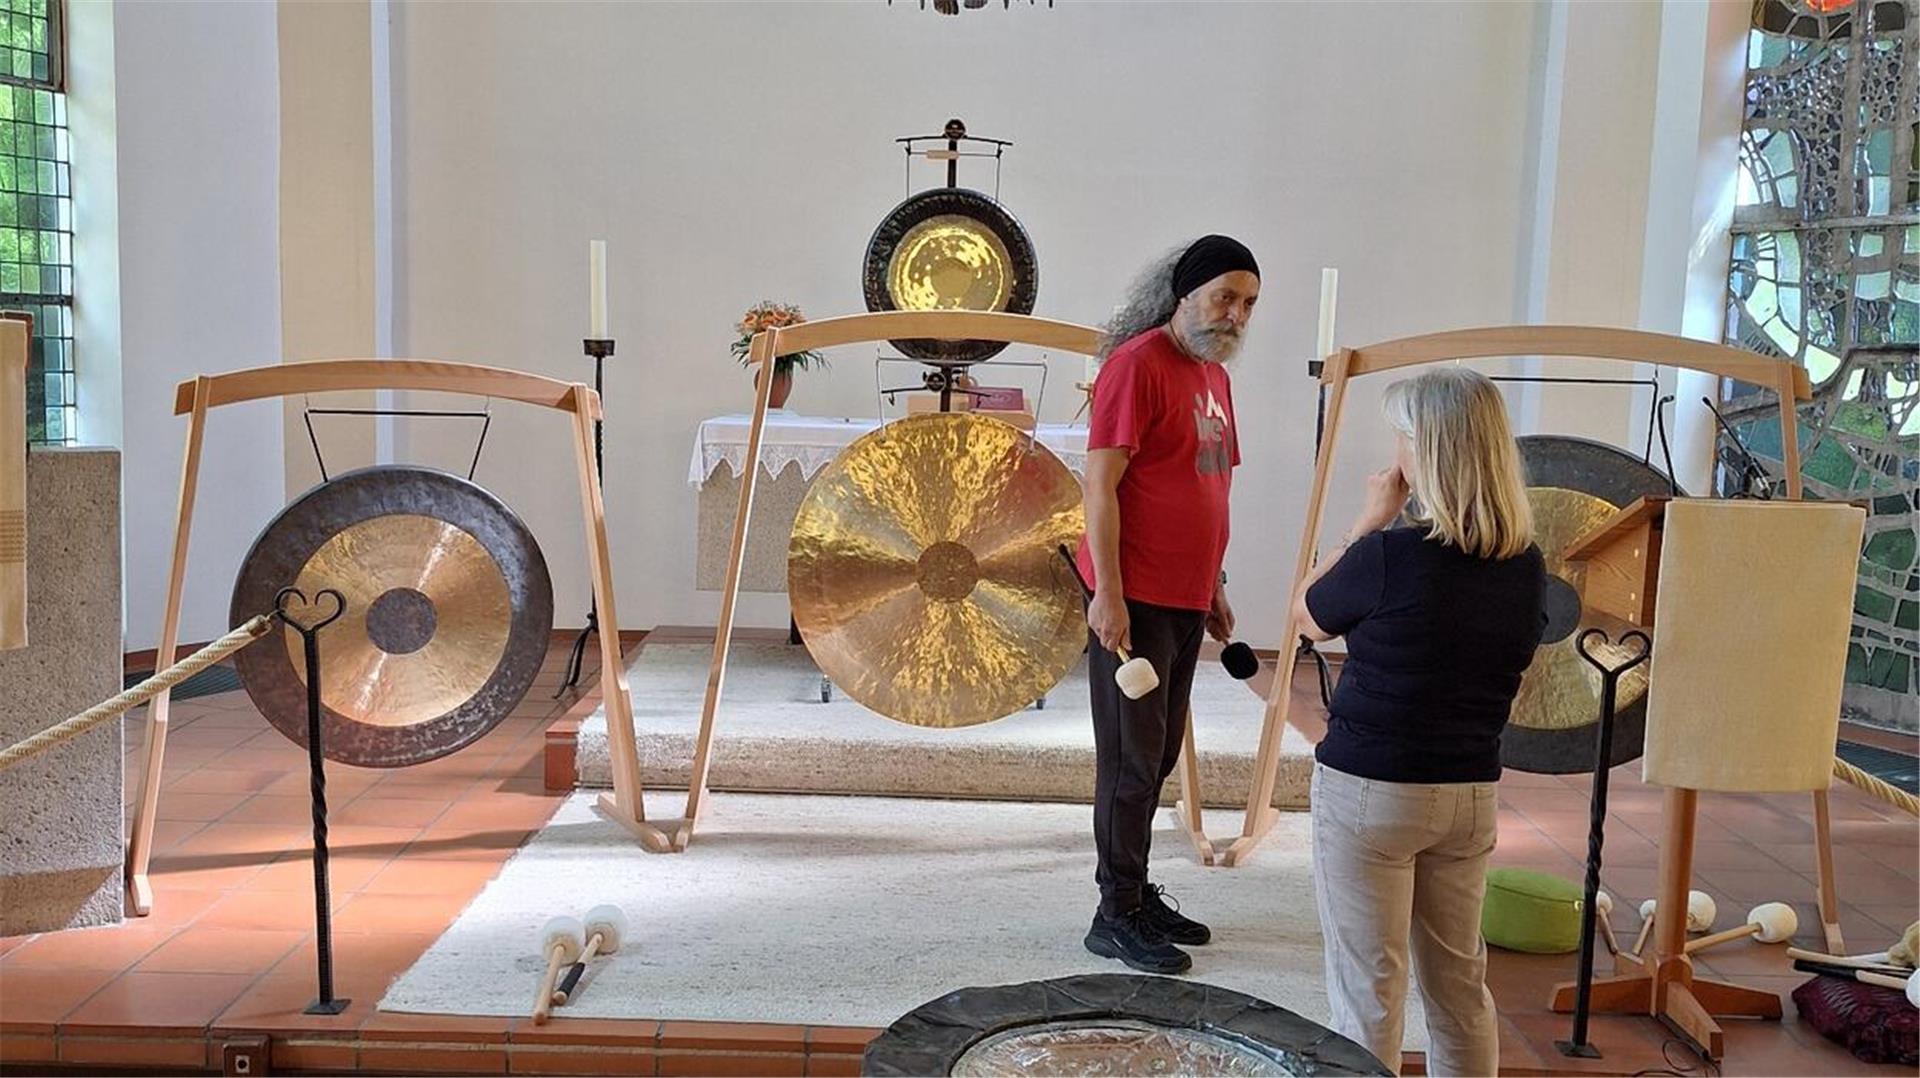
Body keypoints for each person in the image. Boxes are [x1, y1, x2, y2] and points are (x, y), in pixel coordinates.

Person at [1294, 366, 1546, 1076]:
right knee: (1459, 987)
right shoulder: (1523, 564)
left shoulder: (1386, 555)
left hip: (1372, 791)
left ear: (1426, 451)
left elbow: (1305, 617)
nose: (1394, 452)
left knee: (1368, 993)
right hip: (1469, 796)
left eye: (1401, 437)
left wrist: (1366, 520)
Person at [1076, 234, 1258, 975]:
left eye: (1248, 304)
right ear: (1183, 293)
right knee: (1128, 761)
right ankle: (1113, 913)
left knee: (1153, 761)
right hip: (1136, 596)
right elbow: (1100, 486)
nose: (1237, 315)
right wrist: (1109, 594)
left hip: (1184, 596)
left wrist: (1213, 584)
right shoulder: (1136, 365)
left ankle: (1136, 892)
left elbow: (1207, 485)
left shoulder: (1213, 373)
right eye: (1224, 297)